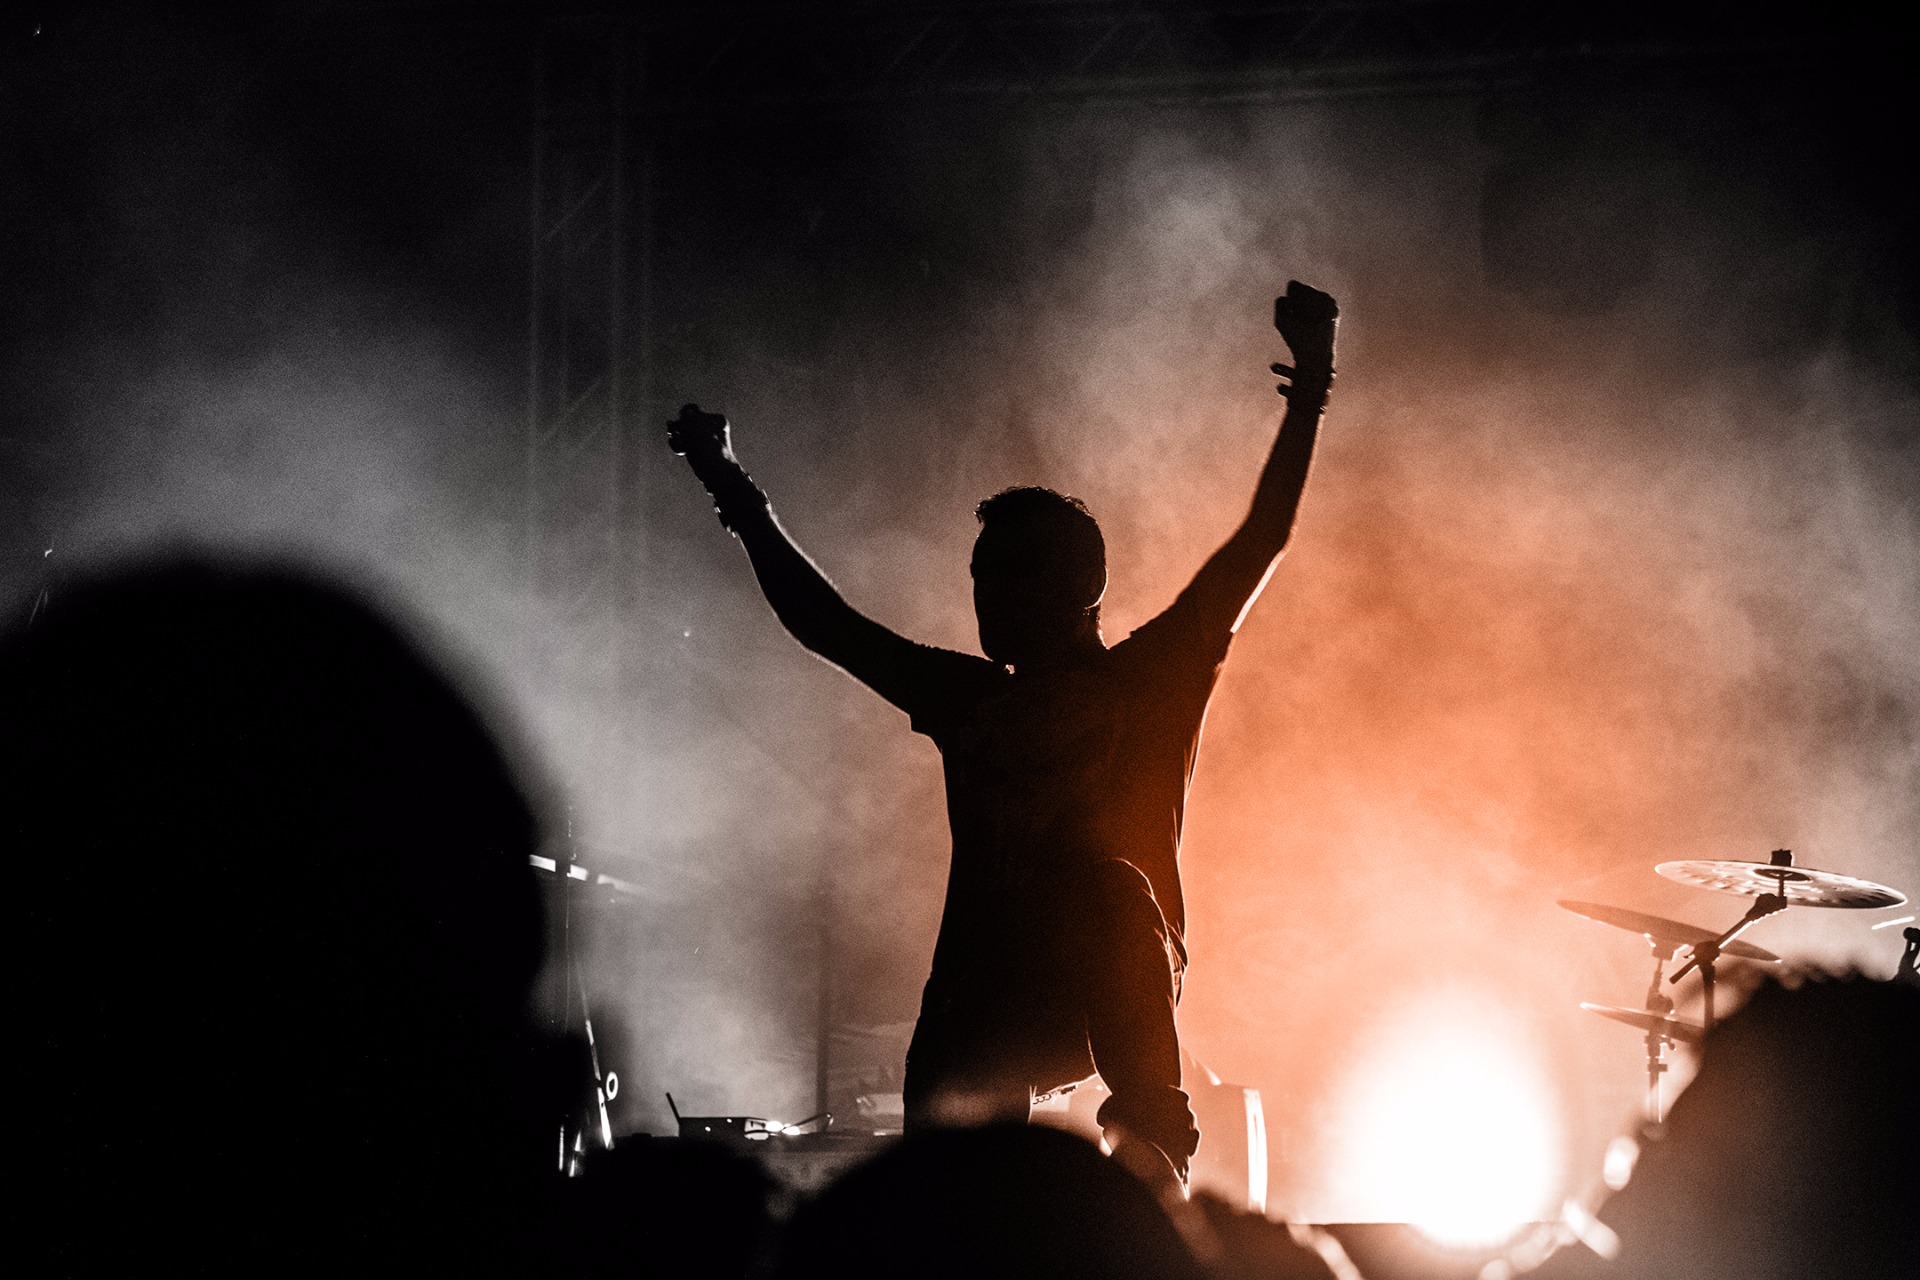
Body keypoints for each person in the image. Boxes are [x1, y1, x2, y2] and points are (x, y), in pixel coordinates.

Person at [669, 282, 1339, 1192]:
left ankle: (1151, 1150)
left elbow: (1260, 540)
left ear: (1078, 588)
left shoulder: (1151, 678)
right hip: (984, 1003)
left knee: (1106, 889)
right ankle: (958, 1198)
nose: (983, 596)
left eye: (1005, 577)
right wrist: (731, 488)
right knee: (952, 1077)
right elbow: (825, 624)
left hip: (1110, 976)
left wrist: (1310, 383)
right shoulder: (969, 698)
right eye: (978, 575)